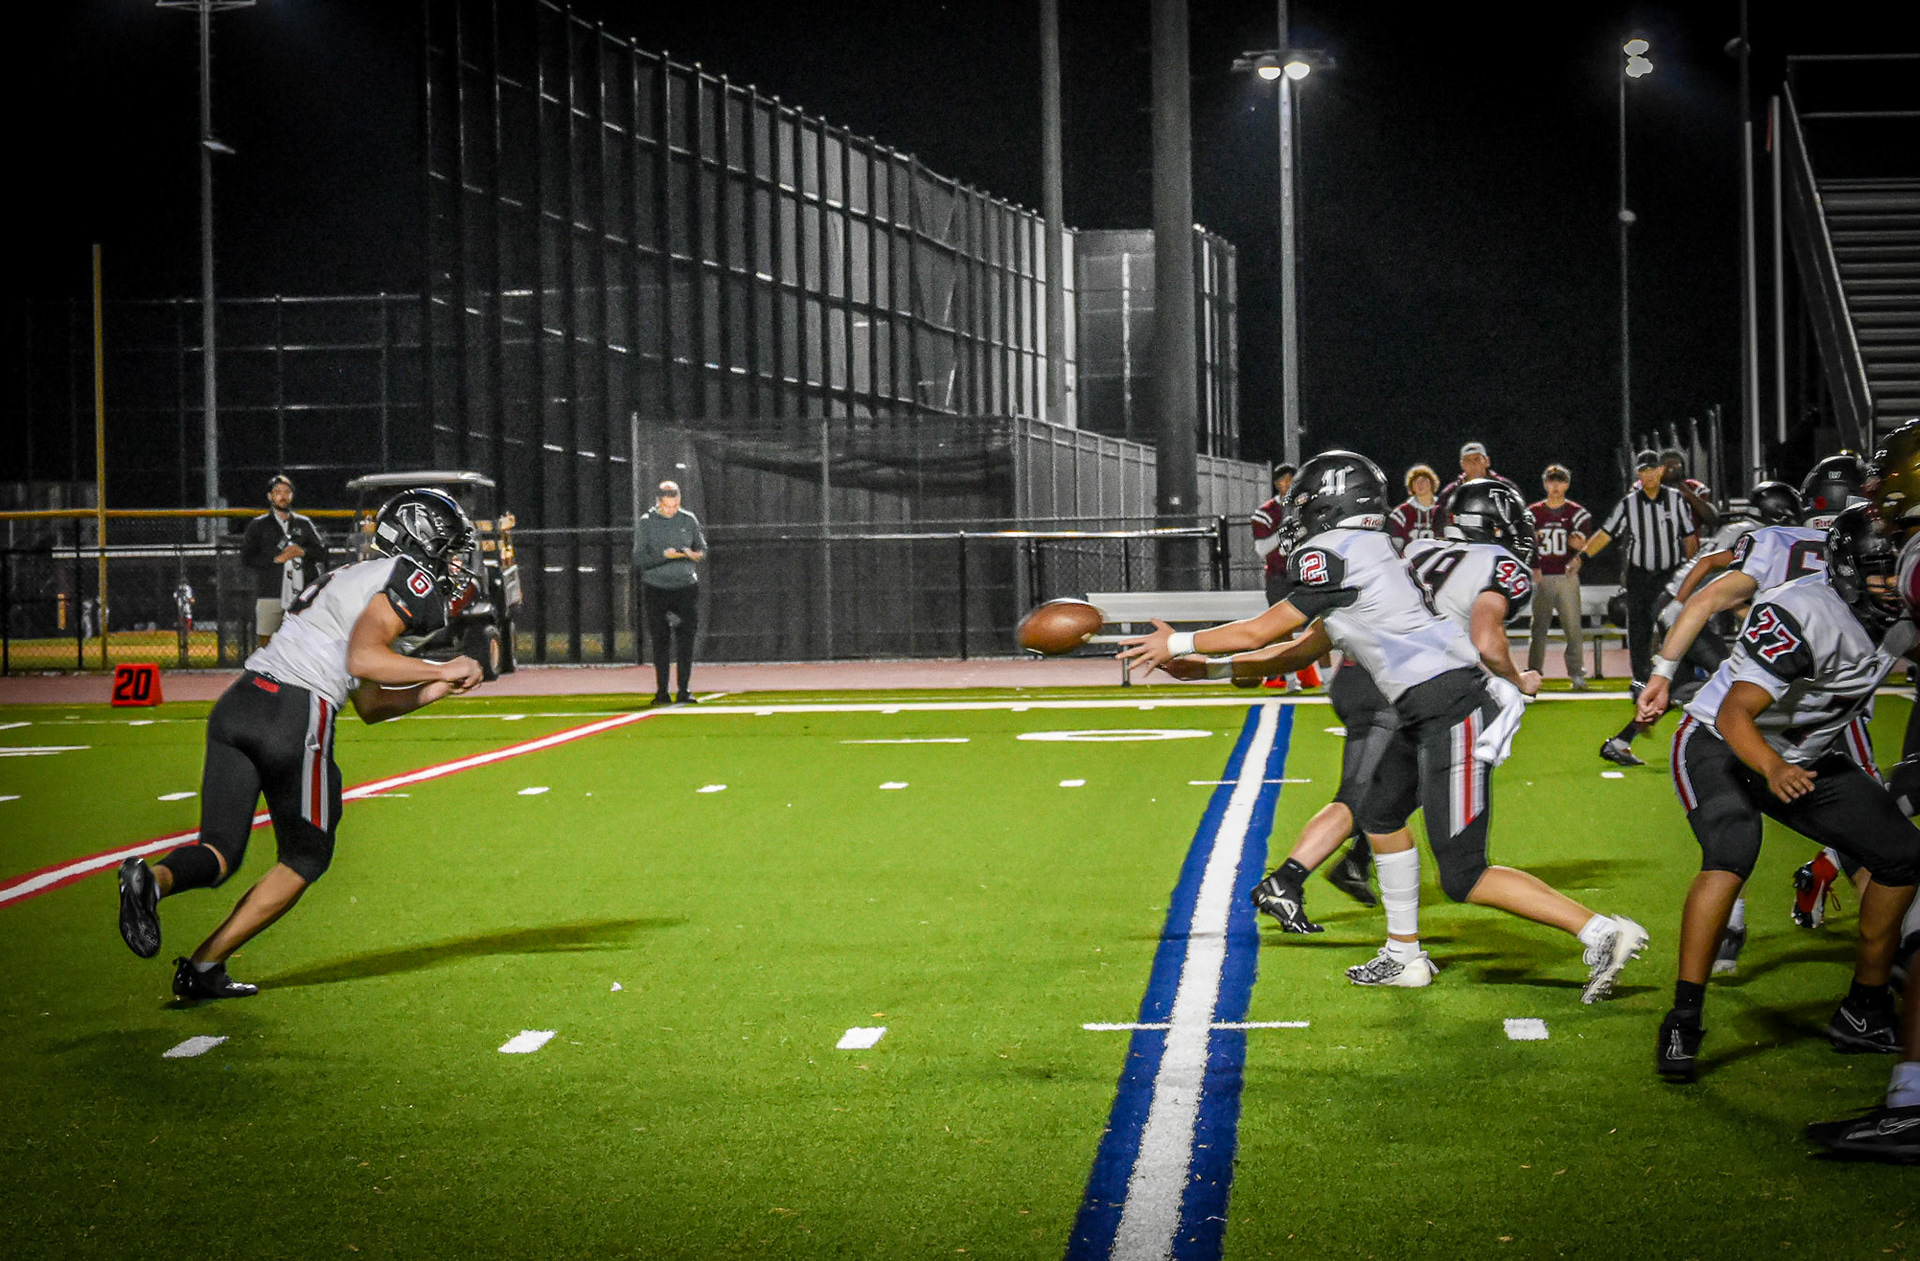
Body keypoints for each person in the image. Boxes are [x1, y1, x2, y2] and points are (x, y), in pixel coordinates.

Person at [1120, 450, 1647, 999]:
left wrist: (1180, 641)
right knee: (1378, 813)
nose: (1296, 514)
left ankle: (1603, 932)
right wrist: (1206, 668)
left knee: (1463, 874)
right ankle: (1403, 955)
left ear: (1330, 503)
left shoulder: (1345, 550)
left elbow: (1262, 631)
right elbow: (1296, 649)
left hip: (1453, 707)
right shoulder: (1367, 558)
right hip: (1418, 706)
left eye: (1304, 502)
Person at [115, 488, 485, 999]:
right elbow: (362, 659)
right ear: (419, 541)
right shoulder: (408, 578)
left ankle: (150, 882)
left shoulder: (354, 577)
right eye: (450, 550)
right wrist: (443, 666)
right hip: (293, 714)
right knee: (306, 856)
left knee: (219, 853)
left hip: (241, 702)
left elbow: (370, 703)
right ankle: (202, 967)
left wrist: (435, 689)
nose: (456, 565)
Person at [1656, 506, 1920, 1081]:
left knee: (1903, 855)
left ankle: (1864, 1006)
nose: (1892, 584)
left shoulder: (1903, 612)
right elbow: (1734, 713)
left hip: (1801, 756)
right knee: (1732, 851)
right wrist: (1772, 768)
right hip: (1721, 745)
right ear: (1848, 570)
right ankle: (1684, 1016)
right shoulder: (1805, 610)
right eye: (1880, 571)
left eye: (1897, 570)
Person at [1583, 450, 1699, 763]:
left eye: (1652, 469)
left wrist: (1691, 572)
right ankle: (1643, 687)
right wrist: (1582, 557)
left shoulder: (1676, 499)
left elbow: (1690, 538)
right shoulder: (1629, 503)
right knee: (1640, 633)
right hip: (1641, 577)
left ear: (1661, 471)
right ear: (1639, 474)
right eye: (1643, 470)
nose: (1648, 475)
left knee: (1675, 633)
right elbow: (1606, 533)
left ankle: (1660, 688)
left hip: (1670, 574)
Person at [635, 480, 708, 706]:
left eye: (675, 505)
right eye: (667, 506)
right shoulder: (646, 523)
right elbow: (639, 559)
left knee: (686, 639)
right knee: (660, 640)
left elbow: (702, 549)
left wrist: (694, 554)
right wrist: (664, 556)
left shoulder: (688, 519)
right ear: (658, 502)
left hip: (686, 588)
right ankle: (662, 692)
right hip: (656, 589)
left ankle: (684, 690)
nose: (671, 510)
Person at [240, 474, 331, 649]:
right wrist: (276, 560)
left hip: (302, 595)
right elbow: (247, 558)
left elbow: (322, 552)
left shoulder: (303, 524)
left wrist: (303, 552)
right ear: (270, 496)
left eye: (286, 492)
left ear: (292, 495)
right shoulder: (259, 525)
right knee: (266, 642)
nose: (283, 496)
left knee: (303, 642)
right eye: (278, 492)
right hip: (271, 592)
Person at [1526, 464, 1594, 689]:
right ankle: (1534, 673)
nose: (1555, 486)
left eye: (1560, 481)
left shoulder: (1576, 512)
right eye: (1551, 481)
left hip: (1566, 576)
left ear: (1567, 484)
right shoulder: (1533, 513)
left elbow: (1585, 544)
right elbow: (1524, 543)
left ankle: (1577, 673)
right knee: (1538, 629)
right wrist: (1533, 566)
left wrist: (1580, 554)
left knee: (1573, 628)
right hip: (1542, 576)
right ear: (1545, 483)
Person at [1250, 463, 1298, 604]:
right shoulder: (1266, 512)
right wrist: (1283, 532)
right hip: (1279, 577)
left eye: (1291, 480)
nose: (1288, 484)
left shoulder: (1305, 506)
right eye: (1284, 480)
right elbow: (1261, 549)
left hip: (1304, 576)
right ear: (1276, 483)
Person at [1436, 441, 1522, 514]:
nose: (1473, 464)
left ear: (1487, 461)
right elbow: (1439, 519)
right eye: (1468, 460)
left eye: (1477, 459)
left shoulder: (1505, 487)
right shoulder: (1450, 492)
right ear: (1462, 465)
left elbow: (1520, 514)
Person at [1661, 449, 1719, 535]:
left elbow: (1712, 519)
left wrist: (1688, 494)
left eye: (1675, 465)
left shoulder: (1693, 487)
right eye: (1666, 465)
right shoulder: (1647, 488)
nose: (1671, 469)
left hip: (1691, 538)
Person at [1387, 463, 1442, 552]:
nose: (1420, 484)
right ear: (1411, 486)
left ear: (1432, 483)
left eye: (1424, 480)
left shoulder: (1443, 510)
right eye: (1416, 481)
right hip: (1410, 559)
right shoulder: (1400, 513)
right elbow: (1395, 547)